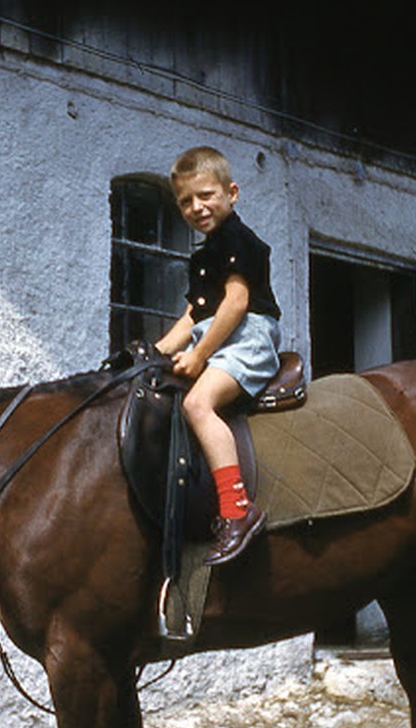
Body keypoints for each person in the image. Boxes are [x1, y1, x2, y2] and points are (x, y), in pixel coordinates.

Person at [154, 146, 282, 566]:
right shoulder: (203, 256)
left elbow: (235, 304)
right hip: (217, 336)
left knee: (197, 403)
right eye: (186, 200)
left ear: (233, 193)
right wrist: (157, 353)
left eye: (206, 195)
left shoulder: (242, 242)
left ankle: (236, 510)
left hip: (247, 338)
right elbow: (194, 314)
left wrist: (199, 356)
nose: (197, 207)